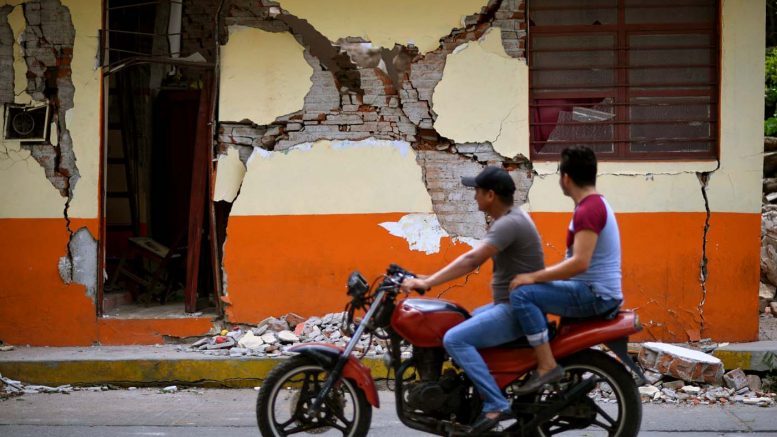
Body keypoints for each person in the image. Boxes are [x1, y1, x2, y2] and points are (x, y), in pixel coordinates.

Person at [400, 166, 545, 434]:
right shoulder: (513, 218)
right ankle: (472, 398)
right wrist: (425, 277)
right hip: (514, 306)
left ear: (490, 195)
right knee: (466, 318)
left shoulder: (508, 224)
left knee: (454, 338)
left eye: (477, 191)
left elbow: (471, 260)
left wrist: (428, 282)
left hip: (515, 310)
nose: (474, 196)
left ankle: (496, 403)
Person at [508, 145, 623, 394]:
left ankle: (547, 365)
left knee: (522, 293)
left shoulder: (588, 210)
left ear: (566, 178)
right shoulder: (595, 204)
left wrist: (532, 277)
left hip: (593, 293)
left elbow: (579, 263)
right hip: (595, 290)